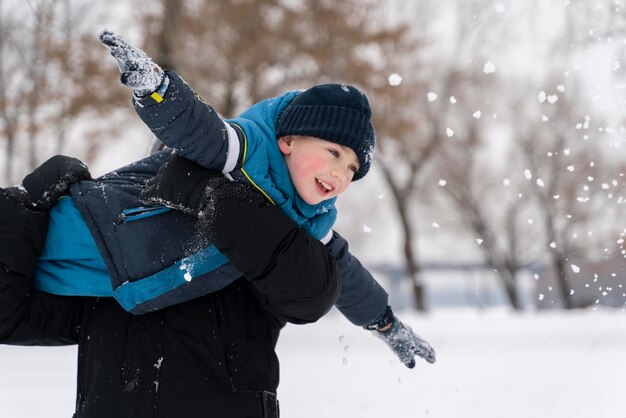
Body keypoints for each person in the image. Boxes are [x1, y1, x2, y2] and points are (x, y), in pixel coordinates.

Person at [13, 30, 435, 368]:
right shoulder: (246, 151)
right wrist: (157, 89)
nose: (341, 176)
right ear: (289, 141)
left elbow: (347, 274)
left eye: (352, 171)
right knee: (24, 248)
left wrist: (384, 322)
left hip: (115, 277)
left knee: (34, 286)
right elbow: (199, 128)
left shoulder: (312, 220)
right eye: (334, 154)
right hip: (99, 223)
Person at [0, 158, 343, 417]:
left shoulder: (246, 266)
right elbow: (8, 316)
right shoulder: (106, 274)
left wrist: (217, 199)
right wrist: (22, 211)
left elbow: (313, 292)